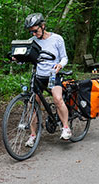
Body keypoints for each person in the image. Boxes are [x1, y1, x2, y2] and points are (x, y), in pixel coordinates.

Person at [24, 13, 71, 147]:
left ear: (43, 26)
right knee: (32, 105)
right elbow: (28, 57)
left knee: (57, 99)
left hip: (52, 74)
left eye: (35, 30)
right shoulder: (32, 41)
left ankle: (66, 127)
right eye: (31, 31)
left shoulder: (57, 39)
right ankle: (33, 135)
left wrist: (60, 65)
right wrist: (18, 59)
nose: (33, 34)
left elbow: (64, 57)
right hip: (38, 76)